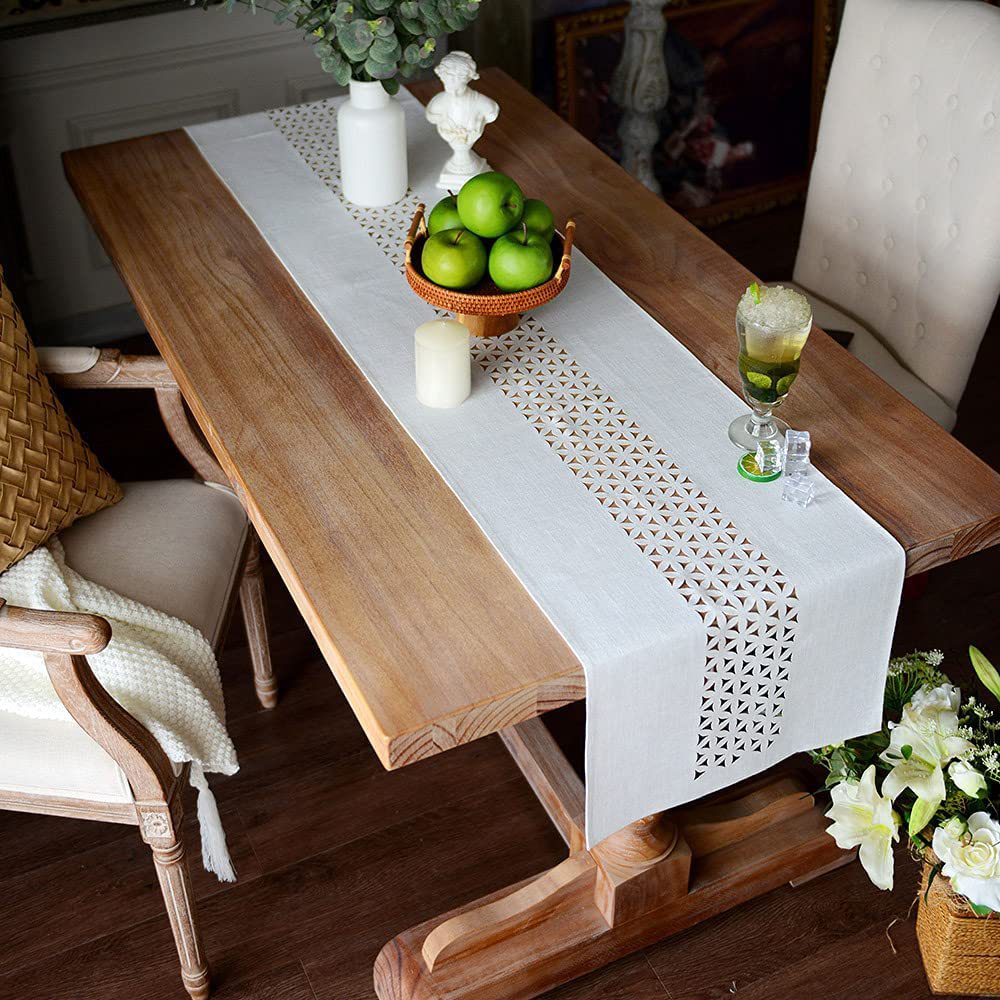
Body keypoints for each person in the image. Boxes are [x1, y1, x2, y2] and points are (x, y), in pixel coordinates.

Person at [425, 51, 499, 189]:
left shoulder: (484, 105)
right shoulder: (437, 105)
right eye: (446, 78)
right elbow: (432, 116)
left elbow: (491, 113)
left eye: (455, 78)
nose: (450, 83)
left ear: (466, 78)